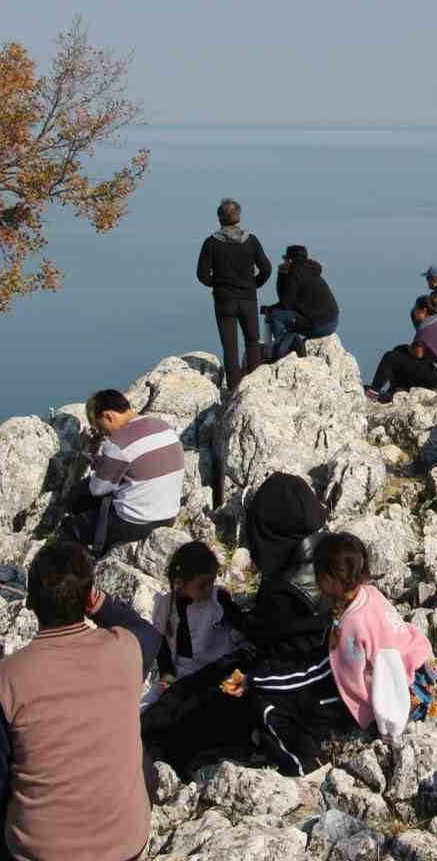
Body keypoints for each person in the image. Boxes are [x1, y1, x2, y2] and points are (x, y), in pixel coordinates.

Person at [0, 539, 160, 861]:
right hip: (126, 849)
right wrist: (100, 603)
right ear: (89, 597)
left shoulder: (5, 679)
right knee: (142, 761)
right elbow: (146, 631)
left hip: (41, 854)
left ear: (30, 601)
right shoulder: (126, 650)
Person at [217, 473, 349, 776]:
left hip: (318, 685)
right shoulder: (331, 551)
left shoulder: (285, 590)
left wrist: (228, 609)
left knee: (248, 693)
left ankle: (302, 762)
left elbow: (264, 634)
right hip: (336, 669)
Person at [313, 531, 437, 734]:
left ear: (328, 579)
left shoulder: (352, 625)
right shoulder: (370, 593)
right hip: (422, 671)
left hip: (404, 699)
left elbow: (350, 679)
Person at [63, 390, 183, 556]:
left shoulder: (118, 443)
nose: (105, 434)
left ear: (108, 416)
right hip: (168, 516)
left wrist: (99, 465)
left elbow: (97, 489)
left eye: (101, 427)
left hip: (136, 523)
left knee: (71, 524)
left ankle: (85, 569)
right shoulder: (163, 427)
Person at [196, 198, 272, 392]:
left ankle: (234, 387)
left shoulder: (211, 242)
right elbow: (266, 268)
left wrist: (219, 283)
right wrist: (254, 284)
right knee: (253, 341)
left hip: (224, 300)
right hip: (248, 298)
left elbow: (202, 275)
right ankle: (253, 387)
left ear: (219, 218)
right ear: (238, 217)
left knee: (229, 345)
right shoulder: (251, 240)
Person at [150, 540, 245, 682]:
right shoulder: (165, 606)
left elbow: (242, 626)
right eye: (202, 585)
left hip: (219, 671)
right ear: (180, 583)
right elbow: (162, 648)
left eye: (211, 582)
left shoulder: (218, 599)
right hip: (182, 674)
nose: (209, 589)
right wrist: (166, 674)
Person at [364, 296, 437, 403]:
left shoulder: (426, 326)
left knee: (390, 357)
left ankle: (373, 393)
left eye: (416, 310)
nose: (414, 313)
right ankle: (396, 390)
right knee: (400, 350)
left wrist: (409, 348)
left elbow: (418, 354)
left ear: (424, 311)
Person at [263, 245, 340, 360]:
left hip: (319, 325)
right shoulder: (311, 271)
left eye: (285, 259)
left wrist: (281, 274)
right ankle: (289, 340)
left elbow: (286, 302)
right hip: (332, 321)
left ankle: (285, 349)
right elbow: (293, 301)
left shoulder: (294, 275)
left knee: (275, 316)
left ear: (290, 260)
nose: (284, 262)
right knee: (280, 313)